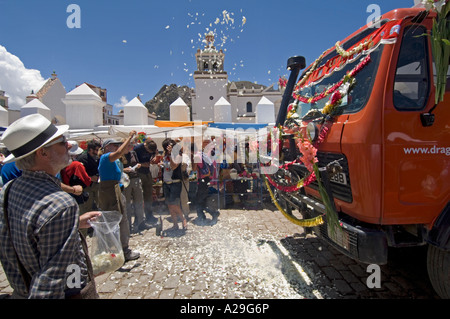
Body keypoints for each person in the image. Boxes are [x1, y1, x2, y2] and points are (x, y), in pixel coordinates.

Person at [0, 113, 101, 299]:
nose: (69, 145)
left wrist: (73, 224)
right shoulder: (61, 204)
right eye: (62, 142)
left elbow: (26, 233)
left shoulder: (7, 190)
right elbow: (49, 283)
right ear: (43, 153)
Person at [98, 132, 140, 262]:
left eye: (117, 145)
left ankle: (115, 250)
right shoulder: (106, 157)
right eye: (113, 145)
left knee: (118, 220)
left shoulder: (113, 160)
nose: (117, 147)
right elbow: (120, 152)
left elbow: (122, 153)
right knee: (118, 221)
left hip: (115, 188)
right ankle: (121, 250)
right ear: (106, 148)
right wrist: (128, 138)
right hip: (110, 191)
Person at [121, 138, 152, 232]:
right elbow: (117, 169)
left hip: (136, 178)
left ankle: (141, 223)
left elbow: (138, 162)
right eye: (128, 145)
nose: (130, 147)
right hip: (126, 180)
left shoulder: (133, 153)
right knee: (127, 204)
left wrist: (138, 166)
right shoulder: (119, 156)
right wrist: (124, 170)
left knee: (139, 202)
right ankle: (128, 226)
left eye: (130, 145)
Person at [161, 138, 187, 231]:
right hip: (166, 182)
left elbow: (173, 166)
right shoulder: (165, 155)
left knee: (175, 204)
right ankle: (175, 224)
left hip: (175, 183)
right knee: (169, 204)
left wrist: (172, 153)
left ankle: (183, 219)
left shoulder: (178, 155)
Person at [60, 141, 92, 215]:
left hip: (65, 194)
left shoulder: (61, 165)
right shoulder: (76, 165)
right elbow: (87, 180)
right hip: (76, 194)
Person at [194, 138, 220, 224]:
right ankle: (204, 215)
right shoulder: (205, 154)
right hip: (206, 179)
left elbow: (196, 168)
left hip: (203, 179)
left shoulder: (200, 155)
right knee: (202, 199)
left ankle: (209, 214)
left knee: (199, 200)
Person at [134, 138, 159, 224]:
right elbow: (133, 163)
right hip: (139, 173)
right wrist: (142, 164)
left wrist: (153, 158)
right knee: (139, 197)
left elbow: (155, 154)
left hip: (147, 172)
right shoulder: (137, 149)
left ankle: (149, 215)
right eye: (148, 151)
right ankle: (139, 218)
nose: (149, 153)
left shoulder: (152, 149)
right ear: (145, 145)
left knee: (148, 195)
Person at [77, 139, 101, 211]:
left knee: (100, 205)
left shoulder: (97, 158)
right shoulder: (82, 159)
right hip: (87, 186)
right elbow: (79, 174)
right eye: (96, 150)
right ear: (90, 149)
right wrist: (90, 177)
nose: (97, 152)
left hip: (96, 185)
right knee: (87, 207)